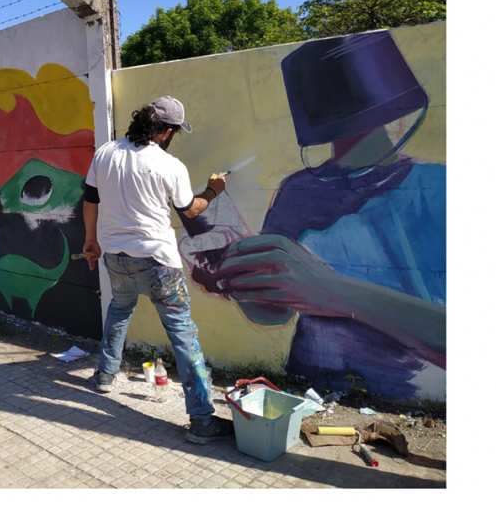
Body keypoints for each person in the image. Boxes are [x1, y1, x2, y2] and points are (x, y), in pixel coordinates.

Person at [192, 31, 445, 400]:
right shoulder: (296, 190)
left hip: (411, 393)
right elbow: (276, 313)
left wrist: (331, 291)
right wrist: (236, 284)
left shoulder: (437, 187)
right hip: (309, 385)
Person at [82, 96, 233, 444]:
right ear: (165, 131)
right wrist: (214, 189)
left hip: (116, 257)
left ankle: (104, 377)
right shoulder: (169, 165)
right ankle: (202, 421)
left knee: (119, 310)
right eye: (174, 132)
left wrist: (91, 240)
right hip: (157, 263)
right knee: (183, 333)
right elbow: (191, 209)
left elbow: (91, 200)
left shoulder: (104, 153)